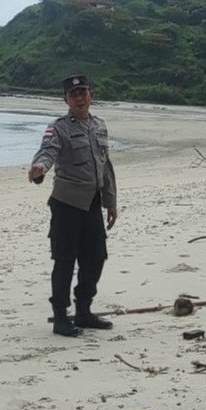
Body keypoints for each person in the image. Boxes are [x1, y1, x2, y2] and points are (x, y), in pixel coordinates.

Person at [28, 75, 118, 337]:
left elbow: (105, 167)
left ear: (91, 94)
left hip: (92, 203)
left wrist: (110, 201)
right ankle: (60, 317)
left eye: (83, 92)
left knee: (96, 257)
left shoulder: (99, 126)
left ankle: (83, 311)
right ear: (66, 99)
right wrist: (39, 168)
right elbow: (48, 151)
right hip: (66, 203)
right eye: (73, 94)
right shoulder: (58, 128)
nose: (79, 98)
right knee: (64, 261)